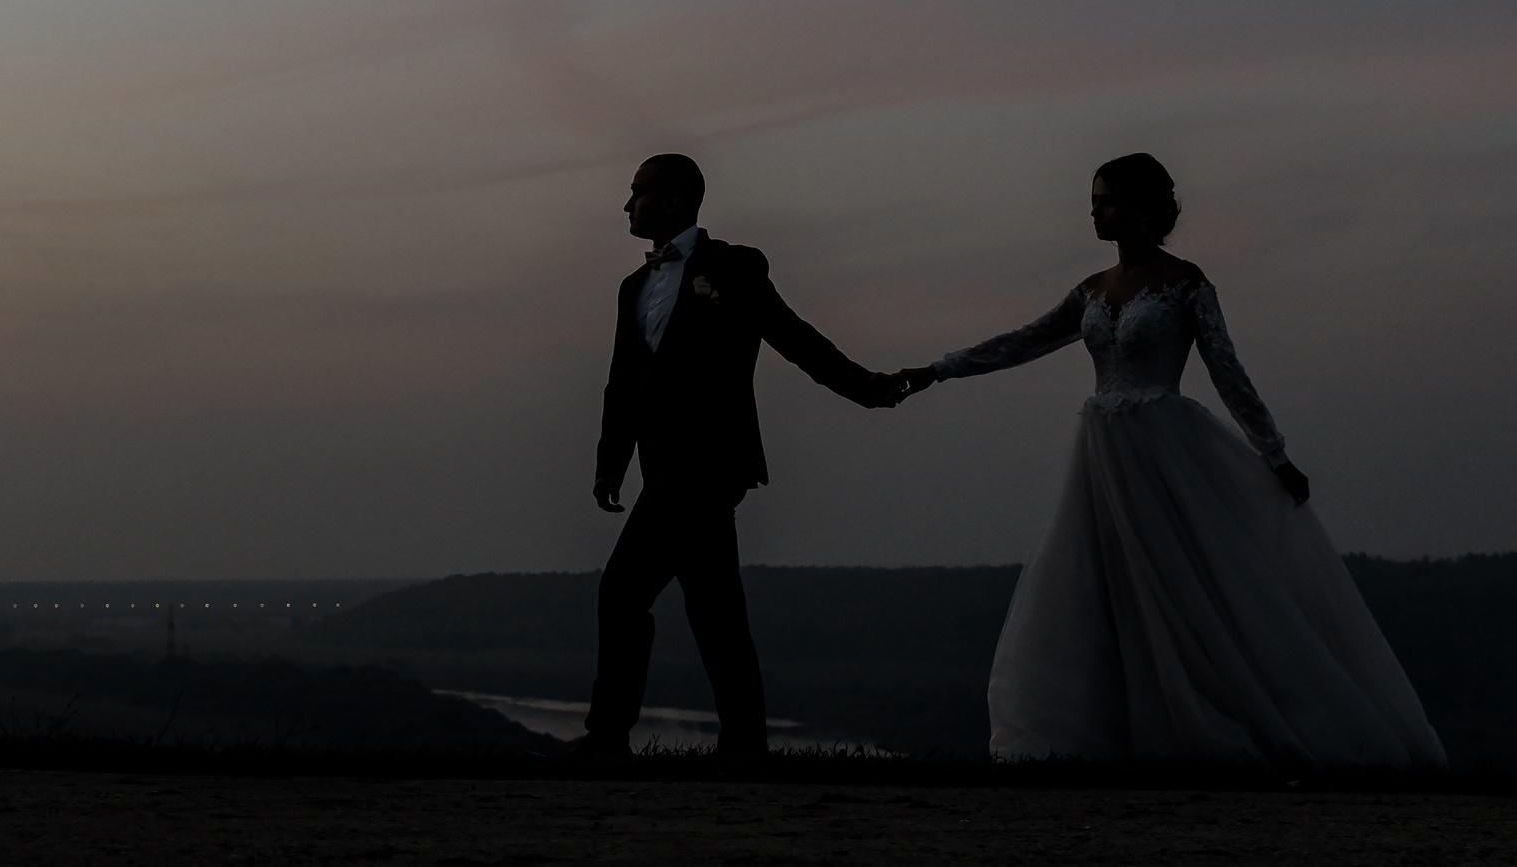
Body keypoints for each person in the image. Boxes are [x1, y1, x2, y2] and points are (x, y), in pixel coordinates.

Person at [895, 153, 1445, 765]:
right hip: (1102, 458)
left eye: (1104, 200)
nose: (1094, 211)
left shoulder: (1186, 284)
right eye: (1094, 199)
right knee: (1095, 586)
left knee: (1186, 591)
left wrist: (1274, 453)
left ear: (1141, 209)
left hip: (1166, 453)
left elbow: (1227, 372)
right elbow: (1023, 341)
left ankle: (1225, 723)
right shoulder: (1091, 290)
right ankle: (1100, 733)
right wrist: (936, 371)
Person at [582, 153, 912, 757]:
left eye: (638, 192)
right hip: (662, 468)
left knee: (626, 593)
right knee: (713, 609)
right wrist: (611, 462)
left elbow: (793, 336)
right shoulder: (633, 286)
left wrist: (867, 387)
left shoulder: (732, 268)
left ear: (676, 199)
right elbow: (623, 383)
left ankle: (609, 737)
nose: (627, 206)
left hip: (708, 465)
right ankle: (743, 743)